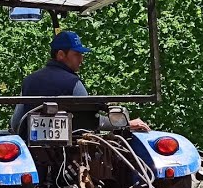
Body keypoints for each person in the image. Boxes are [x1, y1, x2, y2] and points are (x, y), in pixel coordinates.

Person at [10, 30, 149, 132]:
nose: (81, 59)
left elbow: (16, 123)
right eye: (76, 54)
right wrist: (126, 123)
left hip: (33, 153)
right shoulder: (73, 83)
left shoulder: (28, 81)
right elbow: (92, 122)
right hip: (69, 155)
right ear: (61, 55)